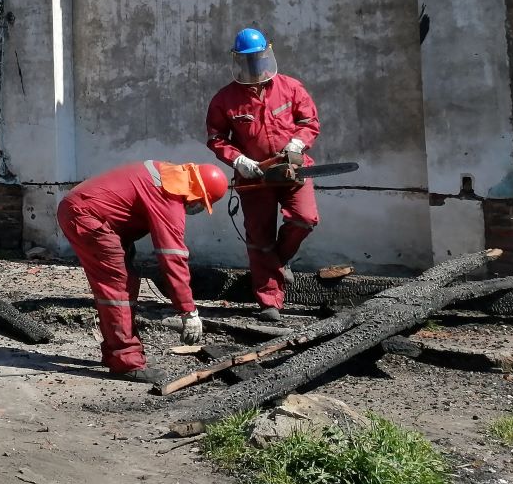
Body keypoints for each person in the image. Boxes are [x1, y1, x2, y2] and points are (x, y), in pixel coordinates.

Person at [56, 159, 227, 383]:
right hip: (87, 216)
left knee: (124, 284)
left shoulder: (167, 174)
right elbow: (172, 257)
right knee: (118, 289)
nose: (198, 209)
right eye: (202, 204)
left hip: (86, 212)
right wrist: (188, 311)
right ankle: (126, 362)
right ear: (196, 193)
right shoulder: (170, 197)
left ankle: (115, 353)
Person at [206, 27, 322, 323]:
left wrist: (298, 142)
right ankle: (269, 301)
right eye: (247, 60)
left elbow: (309, 122)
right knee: (259, 236)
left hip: (292, 168)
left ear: (267, 55)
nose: (253, 64)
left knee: (304, 218)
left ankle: (277, 261)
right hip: (254, 175)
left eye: (257, 58)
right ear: (237, 60)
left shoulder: (291, 87)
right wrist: (238, 159)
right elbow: (217, 138)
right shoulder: (226, 99)